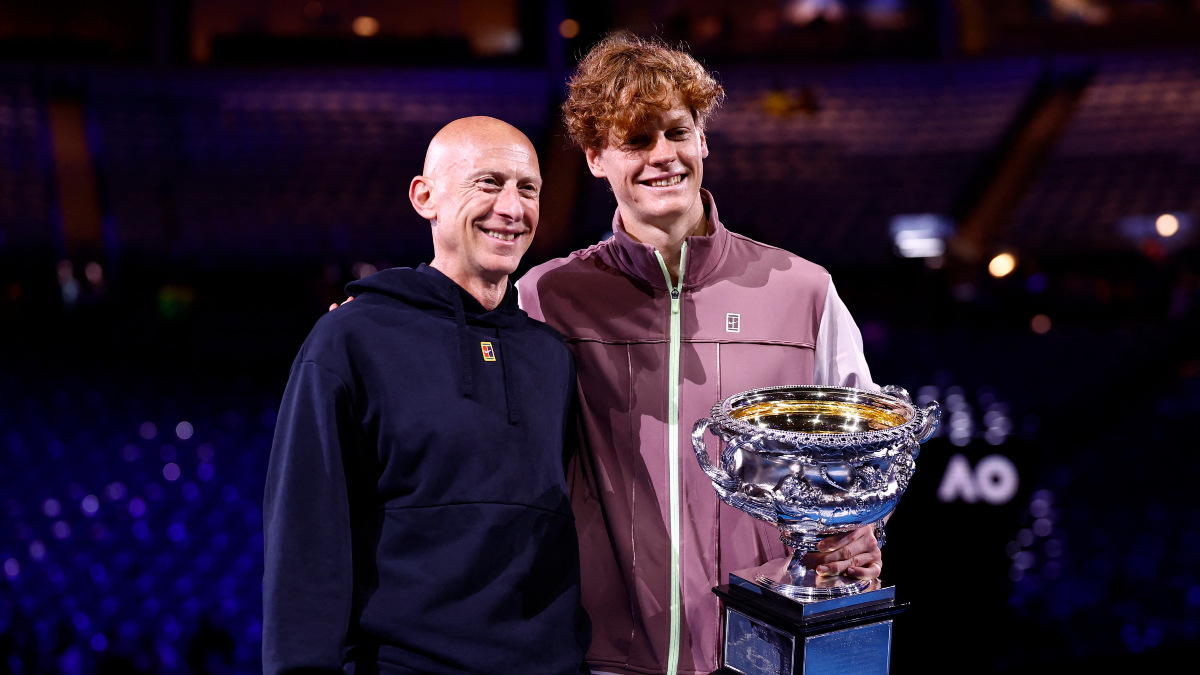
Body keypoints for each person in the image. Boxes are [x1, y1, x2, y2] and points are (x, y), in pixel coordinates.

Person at [517, 34, 883, 675]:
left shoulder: (804, 290)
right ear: (596, 157)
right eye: (636, 140)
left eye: (677, 132)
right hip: (603, 658)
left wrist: (859, 534)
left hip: (763, 651)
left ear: (703, 139)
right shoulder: (548, 298)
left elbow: (865, 455)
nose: (664, 156)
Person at [263, 116, 589, 674]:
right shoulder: (352, 337)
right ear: (425, 197)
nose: (512, 208)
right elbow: (306, 536)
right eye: (488, 183)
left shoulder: (551, 355)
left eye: (527, 188)